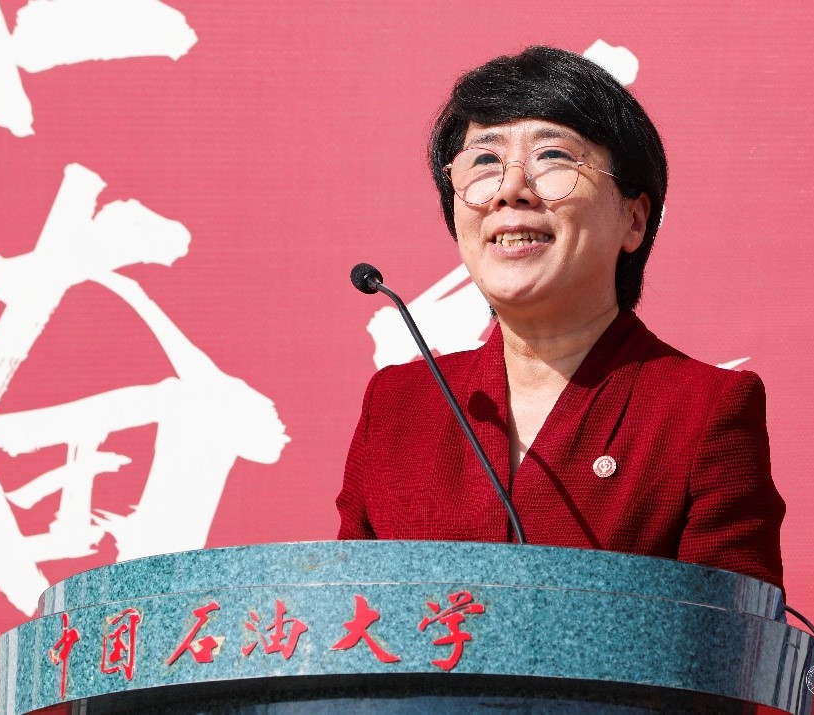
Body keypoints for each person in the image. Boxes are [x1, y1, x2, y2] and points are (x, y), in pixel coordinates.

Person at [336, 46, 785, 590]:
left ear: (634, 219)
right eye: (483, 162)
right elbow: (345, 614)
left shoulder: (702, 411)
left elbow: (730, 633)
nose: (510, 191)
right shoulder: (399, 406)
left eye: (551, 157)